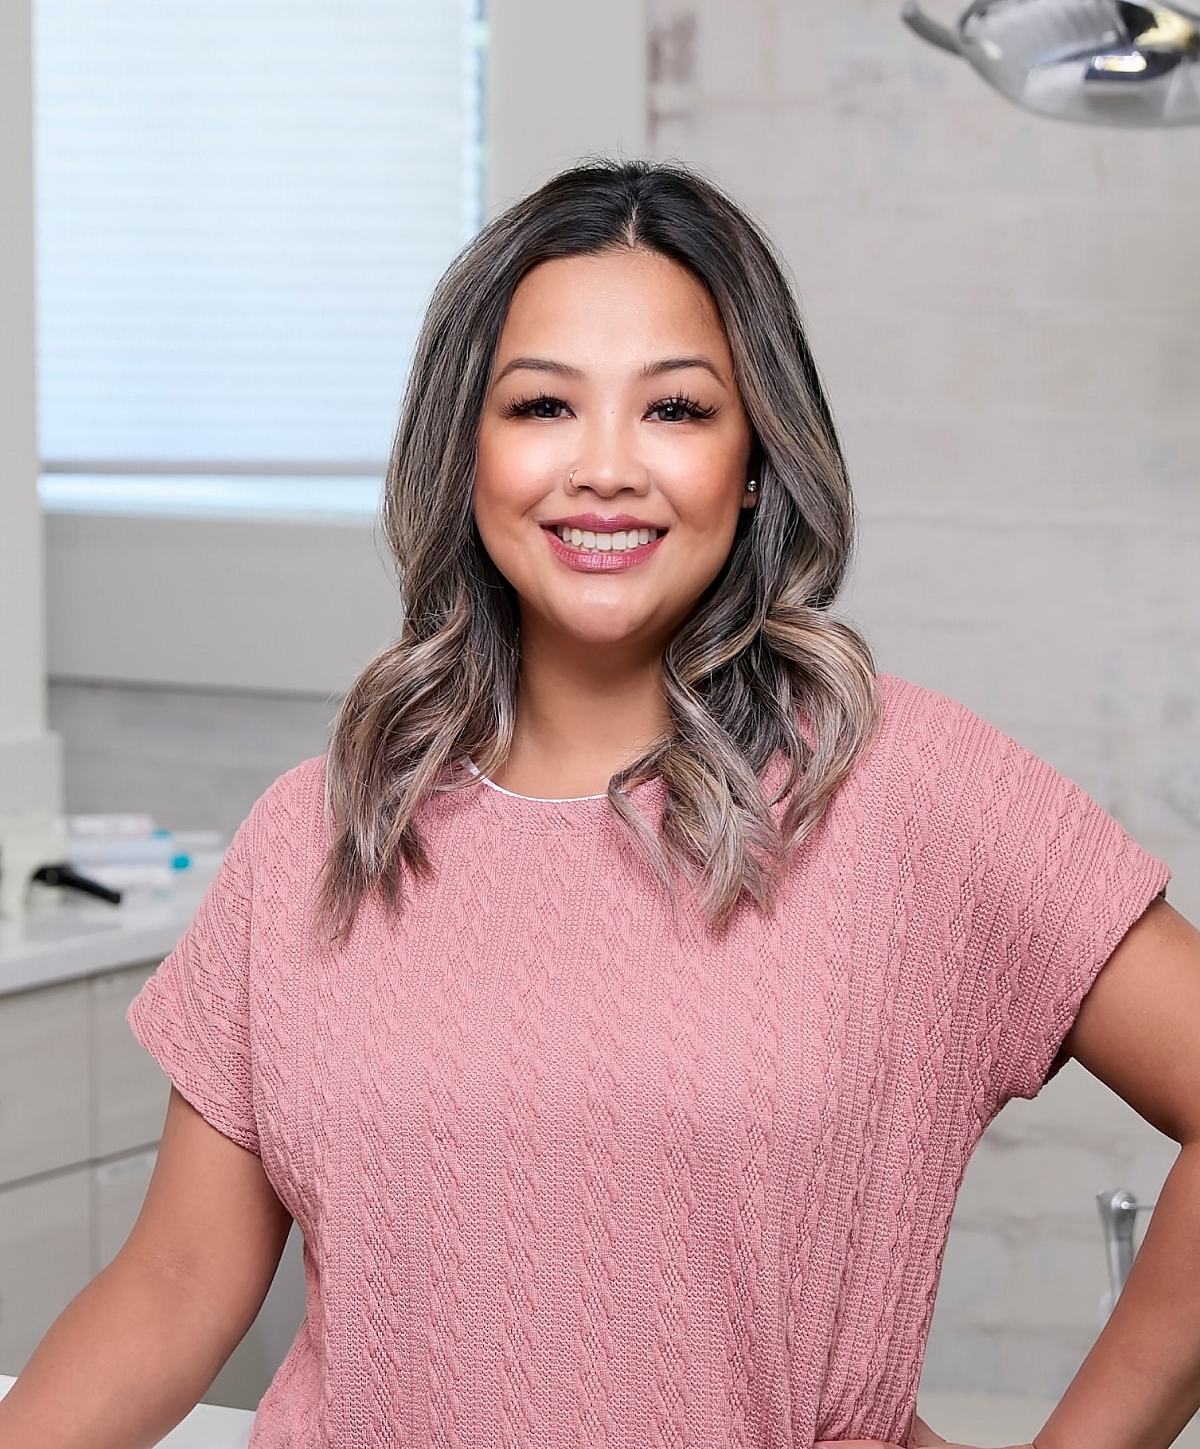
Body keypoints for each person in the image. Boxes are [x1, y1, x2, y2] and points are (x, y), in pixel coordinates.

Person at [2, 158, 1198, 1449]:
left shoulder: (901, 786)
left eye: (677, 408)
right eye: (542, 407)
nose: (608, 468)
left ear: (754, 465)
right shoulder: (320, 832)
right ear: (468, 454)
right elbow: (176, 1286)